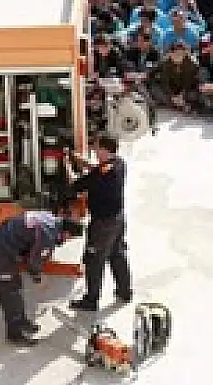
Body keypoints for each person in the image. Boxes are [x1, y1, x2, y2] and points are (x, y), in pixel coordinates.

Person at [0, 210, 84, 345]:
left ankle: (22, 322)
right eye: (70, 238)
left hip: (4, 245)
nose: (67, 241)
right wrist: (38, 277)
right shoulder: (48, 235)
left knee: (16, 288)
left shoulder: (51, 219)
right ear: (67, 233)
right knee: (10, 294)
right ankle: (15, 334)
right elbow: (34, 261)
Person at [67, 134, 132, 312]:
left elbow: (76, 185)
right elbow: (99, 170)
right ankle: (125, 291)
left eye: (96, 148)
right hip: (118, 220)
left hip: (102, 225)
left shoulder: (100, 174)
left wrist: (67, 166)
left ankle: (91, 300)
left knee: (94, 261)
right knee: (117, 254)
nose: (94, 151)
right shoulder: (119, 163)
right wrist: (83, 162)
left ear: (104, 150)